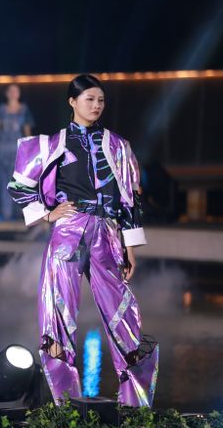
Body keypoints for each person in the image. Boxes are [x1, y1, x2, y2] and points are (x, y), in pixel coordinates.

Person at [8, 74, 158, 407]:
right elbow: (18, 186)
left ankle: (135, 408)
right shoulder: (52, 144)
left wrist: (130, 247)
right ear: (72, 102)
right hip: (67, 235)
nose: (96, 105)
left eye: (100, 100)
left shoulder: (118, 146)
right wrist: (48, 215)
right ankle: (66, 408)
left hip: (107, 235)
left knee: (123, 315)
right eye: (89, 99)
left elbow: (131, 200)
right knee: (58, 316)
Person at [0, 84, 34, 220]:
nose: (14, 93)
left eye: (16, 91)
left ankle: (18, 212)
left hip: (18, 150)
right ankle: (6, 213)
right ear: (7, 93)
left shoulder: (24, 110)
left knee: (18, 181)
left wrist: (30, 150)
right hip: (3, 149)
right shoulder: (1, 109)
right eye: (11, 91)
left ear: (19, 94)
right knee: (3, 181)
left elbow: (27, 131)